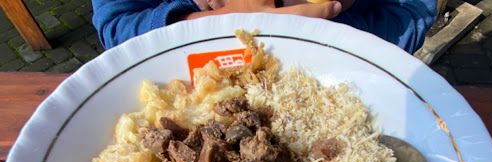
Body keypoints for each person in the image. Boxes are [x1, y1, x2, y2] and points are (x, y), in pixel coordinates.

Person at [92, 0, 437, 54]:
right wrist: (205, 23)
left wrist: (329, 22)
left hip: (345, 77)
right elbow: (118, 24)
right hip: (188, 80)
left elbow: (410, 11)